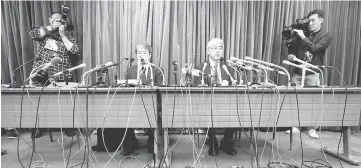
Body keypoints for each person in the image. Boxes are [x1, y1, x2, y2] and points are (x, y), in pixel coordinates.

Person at [91, 42, 163, 155]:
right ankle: (129, 145)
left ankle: (152, 144)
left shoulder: (156, 69)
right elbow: (126, 87)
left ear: (150, 55)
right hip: (133, 103)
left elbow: (161, 88)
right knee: (123, 111)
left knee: (154, 112)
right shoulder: (131, 70)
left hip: (152, 103)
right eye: (139, 53)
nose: (141, 55)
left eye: (144, 53)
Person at [26, 12, 80, 138]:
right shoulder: (44, 35)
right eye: (54, 19)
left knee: (65, 102)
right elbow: (33, 34)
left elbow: (74, 51)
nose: (57, 21)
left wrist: (62, 35)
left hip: (60, 74)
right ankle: (37, 127)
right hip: (41, 72)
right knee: (36, 101)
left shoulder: (69, 38)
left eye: (59, 20)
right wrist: (51, 27)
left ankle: (68, 127)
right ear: (50, 20)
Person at [184, 38, 237, 156]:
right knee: (207, 111)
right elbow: (197, 87)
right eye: (214, 48)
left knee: (236, 111)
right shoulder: (201, 67)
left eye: (220, 48)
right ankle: (213, 141)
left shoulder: (227, 67)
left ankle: (226, 141)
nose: (218, 51)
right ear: (208, 51)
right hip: (207, 103)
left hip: (226, 103)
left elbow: (232, 84)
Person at [285, 9, 332, 139]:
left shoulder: (326, 35)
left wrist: (303, 37)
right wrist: (292, 38)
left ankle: (312, 128)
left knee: (313, 102)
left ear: (321, 20)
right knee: (295, 100)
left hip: (312, 72)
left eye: (313, 20)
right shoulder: (303, 33)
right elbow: (291, 49)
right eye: (309, 21)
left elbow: (315, 48)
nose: (310, 23)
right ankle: (296, 126)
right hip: (298, 71)